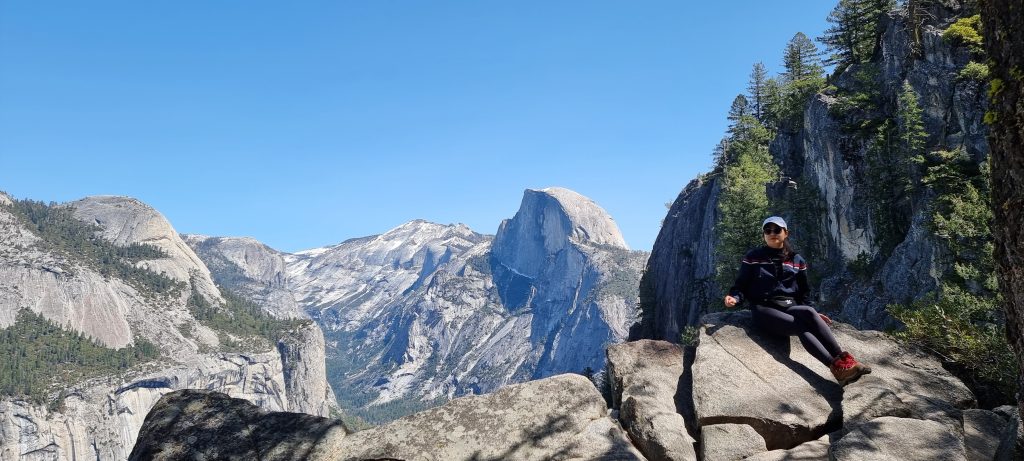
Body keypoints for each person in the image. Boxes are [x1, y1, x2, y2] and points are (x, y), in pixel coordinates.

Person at [723, 216, 871, 386]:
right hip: (764, 308)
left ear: (786, 233)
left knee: (808, 313)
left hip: (789, 306)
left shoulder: (797, 260)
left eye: (777, 230)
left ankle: (846, 361)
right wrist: (734, 298)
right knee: (800, 326)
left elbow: (803, 292)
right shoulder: (753, 257)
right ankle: (836, 367)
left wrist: (814, 316)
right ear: (764, 235)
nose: (772, 233)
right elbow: (741, 285)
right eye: (767, 230)